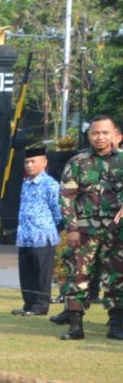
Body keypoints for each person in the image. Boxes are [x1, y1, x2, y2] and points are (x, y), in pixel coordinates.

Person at [57, 114, 123, 340]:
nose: (100, 137)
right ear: (89, 135)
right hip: (85, 231)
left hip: (117, 232)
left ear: (114, 134)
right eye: (95, 133)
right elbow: (66, 197)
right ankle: (75, 325)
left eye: (105, 132)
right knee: (79, 276)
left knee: (117, 277)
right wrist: (72, 228)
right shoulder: (77, 162)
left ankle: (116, 324)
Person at [12, 147, 61, 317]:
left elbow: (57, 210)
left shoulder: (51, 184)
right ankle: (29, 304)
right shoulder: (25, 183)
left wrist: (52, 228)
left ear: (44, 162)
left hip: (42, 236)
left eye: (33, 161)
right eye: (26, 162)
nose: (29, 165)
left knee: (42, 273)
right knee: (26, 273)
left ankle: (40, 306)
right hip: (25, 236)